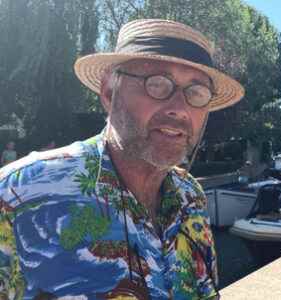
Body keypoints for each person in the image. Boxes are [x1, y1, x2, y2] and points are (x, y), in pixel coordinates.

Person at [0, 19, 244, 298]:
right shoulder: (17, 193)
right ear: (108, 92)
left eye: (196, 92)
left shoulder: (192, 196)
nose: (180, 108)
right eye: (157, 84)